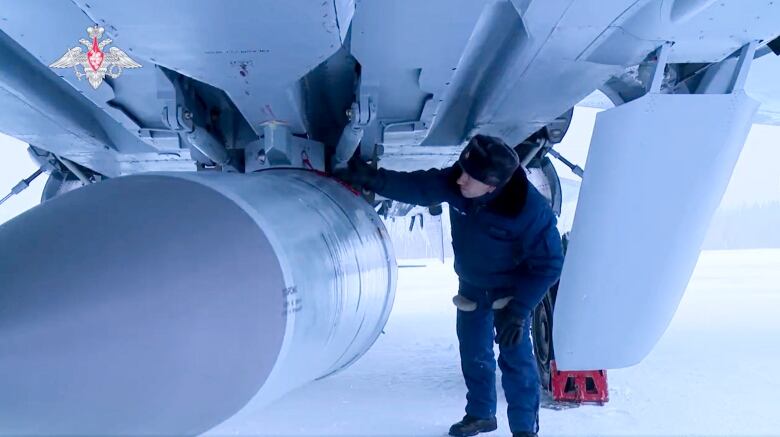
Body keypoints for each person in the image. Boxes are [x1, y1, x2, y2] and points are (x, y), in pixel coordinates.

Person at [336, 134, 564, 437]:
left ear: (492, 186)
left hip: (510, 295)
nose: (460, 180)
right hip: (471, 286)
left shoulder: (528, 211)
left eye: (471, 177)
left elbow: (550, 264)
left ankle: (525, 431)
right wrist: (369, 178)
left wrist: (519, 311)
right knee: (474, 354)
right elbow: (418, 186)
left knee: (516, 363)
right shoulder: (460, 181)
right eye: (462, 170)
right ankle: (481, 414)